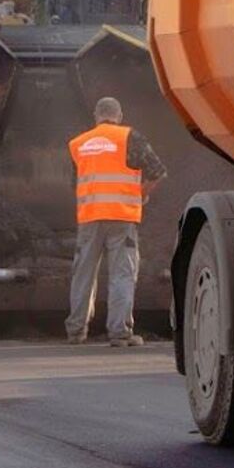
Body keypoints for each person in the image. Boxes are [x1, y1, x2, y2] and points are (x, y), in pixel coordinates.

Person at [66, 96, 167, 347]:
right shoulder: (129, 137)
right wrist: (141, 194)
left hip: (89, 218)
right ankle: (119, 333)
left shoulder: (79, 144)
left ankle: (76, 331)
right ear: (119, 116)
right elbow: (157, 171)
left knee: (83, 274)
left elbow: (74, 183)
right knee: (122, 274)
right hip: (122, 216)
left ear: (96, 117)